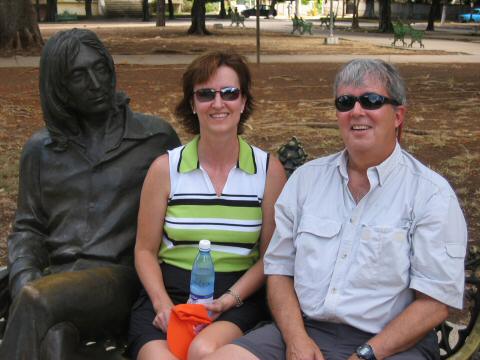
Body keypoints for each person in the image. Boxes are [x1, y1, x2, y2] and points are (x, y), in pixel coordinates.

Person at [205, 59, 468, 360]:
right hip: (303, 331)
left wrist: (367, 354)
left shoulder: (430, 194)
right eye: (345, 102)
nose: (356, 111)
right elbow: (279, 270)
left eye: (371, 100)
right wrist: (295, 339)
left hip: (391, 344)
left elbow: (435, 302)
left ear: (398, 115)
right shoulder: (307, 180)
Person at [0, 28, 180, 360]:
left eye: (100, 68)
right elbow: (28, 229)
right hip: (55, 281)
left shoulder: (154, 140)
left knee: (38, 301)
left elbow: (186, 212)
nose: (96, 83)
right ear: (60, 88)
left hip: (119, 277)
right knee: (55, 336)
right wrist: (26, 277)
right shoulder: (40, 150)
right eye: (79, 76)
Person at [127, 51, 286, 360]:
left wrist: (228, 300)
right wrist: (162, 306)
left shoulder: (269, 171)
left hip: (237, 298)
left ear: (242, 102)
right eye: (205, 94)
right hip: (167, 294)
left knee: (203, 351)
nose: (217, 103)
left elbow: (271, 257)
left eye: (229, 93)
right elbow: (144, 251)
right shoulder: (165, 169)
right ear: (192, 103)